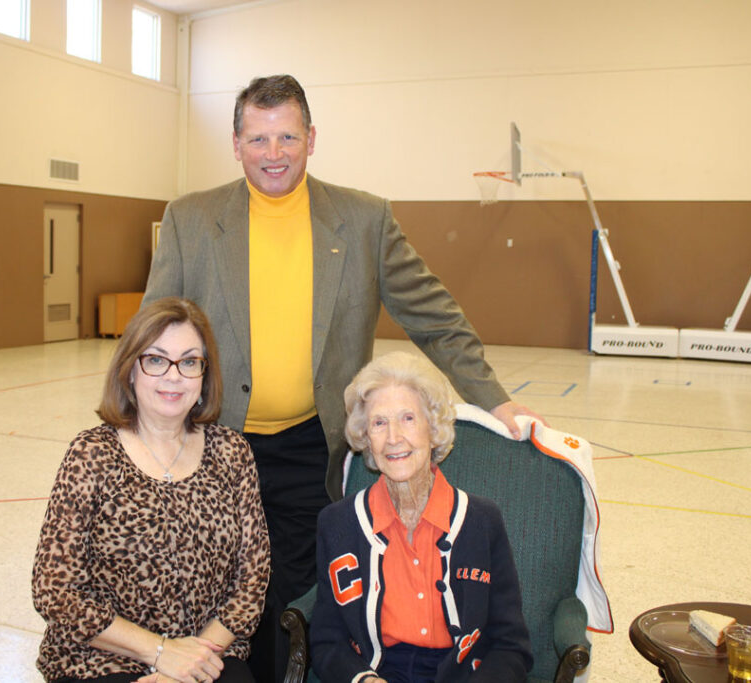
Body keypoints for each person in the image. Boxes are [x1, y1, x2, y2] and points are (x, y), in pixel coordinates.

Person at [142, 74, 542, 680]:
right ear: (235, 143)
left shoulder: (363, 221)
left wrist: (497, 400)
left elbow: (434, 316)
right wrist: (132, 425)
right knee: (211, 587)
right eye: (258, 139)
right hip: (212, 443)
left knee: (296, 596)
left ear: (311, 138)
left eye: (287, 137)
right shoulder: (189, 220)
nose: (273, 153)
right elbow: (152, 331)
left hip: (311, 447)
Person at [32, 297, 271, 683]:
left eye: (190, 362)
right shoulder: (92, 454)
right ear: (130, 370)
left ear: (204, 376)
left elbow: (252, 582)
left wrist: (190, 662)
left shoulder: (232, 453)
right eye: (156, 360)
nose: (174, 376)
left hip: (208, 654)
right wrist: (160, 653)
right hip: (101, 658)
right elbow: (54, 590)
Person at [310, 352, 532, 683]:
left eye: (408, 418)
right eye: (379, 423)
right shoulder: (339, 524)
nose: (394, 437)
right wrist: (363, 680)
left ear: (433, 427)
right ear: (366, 438)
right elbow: (327, 642)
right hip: (378, 672)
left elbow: (512, 647)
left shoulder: (481, 522)